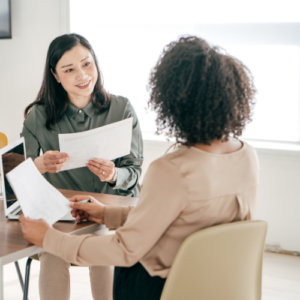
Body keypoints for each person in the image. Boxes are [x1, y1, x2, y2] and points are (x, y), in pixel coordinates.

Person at [20, 36, 259, 300]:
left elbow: (124, 249)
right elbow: (175, 219)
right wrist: (106, 213)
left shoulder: (170, 170)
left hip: (162, 287)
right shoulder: (248, 156)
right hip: (216, 285)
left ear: (170, 102)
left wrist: (49, 239)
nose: (81, 74)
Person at [20, 34, 143, 300]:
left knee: (103, 244)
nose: (82, 75)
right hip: (62, 215)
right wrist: (39, 165)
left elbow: (134, 172)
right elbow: (18, 181)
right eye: (69, 69)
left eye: (87, 64)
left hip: (109, 212)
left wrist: (114, 174)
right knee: (53, 249)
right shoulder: (38, 117)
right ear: (55, 75)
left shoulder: (121, 108)